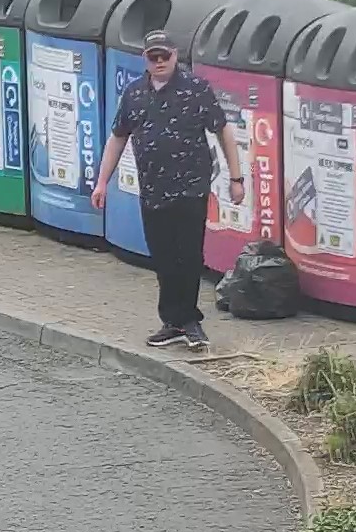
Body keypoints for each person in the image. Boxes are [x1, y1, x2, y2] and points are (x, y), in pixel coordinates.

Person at [91, 30, 244, 349]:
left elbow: (223, 130)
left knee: (188, 256)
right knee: (163, 257)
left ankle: (189, 321)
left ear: (176, 55)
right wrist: (103, 181)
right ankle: (173, 320)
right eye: (153, 57)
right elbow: (118, 137)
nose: (160, 62)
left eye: (166, 56)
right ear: (144, 59)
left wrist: (236, 177)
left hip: (191, 187)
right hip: (153, 190)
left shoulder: (196, 89)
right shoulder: (134, 94)